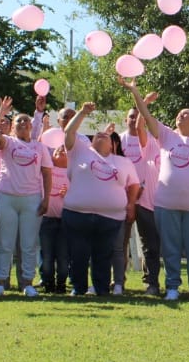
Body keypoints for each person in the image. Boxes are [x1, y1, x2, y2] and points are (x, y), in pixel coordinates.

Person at [122, 79, 189, 301]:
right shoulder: (167, 136)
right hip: (166, 205)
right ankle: (172, 286)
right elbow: (145, 116)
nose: (180, 116)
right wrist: (135, 91)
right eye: (179, 114)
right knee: (171, 249)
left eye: (186, 114)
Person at [59, 102, 141, 298]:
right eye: (97, 135)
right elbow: (69, 132)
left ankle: (102, 290)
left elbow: (135, 185)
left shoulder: (123, 162)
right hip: (78, 214)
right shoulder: (80, 152)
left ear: (113, 144)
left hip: (110, 218)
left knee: (103, 256)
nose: (102, 135)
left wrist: (130, 204)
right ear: (90, 141)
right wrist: (83, 112)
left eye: (106, 135)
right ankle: (78, 289)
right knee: (79, 255)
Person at [0, 97, 53, 297]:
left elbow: (47, 174)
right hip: (7, 197)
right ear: (13, 128)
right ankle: (2, 282)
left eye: (26, 121)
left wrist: (46, 198)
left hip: (31, 199)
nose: (23, 123)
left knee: (28, 244)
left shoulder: (39, 147)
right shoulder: (9, 142)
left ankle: (27, 283)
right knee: (5, 243)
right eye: (18, 122)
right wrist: (1, 113)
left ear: (32, 126)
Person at [119, 96, 161, 295]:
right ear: (125, 120)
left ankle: (151, 282)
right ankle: (118, 281)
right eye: (131, 117)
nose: (134, 120)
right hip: (122, 198)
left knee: (150, 244)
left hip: (145, 199)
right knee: (119, 243)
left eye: (138, 116)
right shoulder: (118, 140)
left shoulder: (150, 141)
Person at [39, 142, 71, 293]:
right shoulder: (46, 171)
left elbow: (81, 195)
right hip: (47, 219)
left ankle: (61, 284)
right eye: (58, 149)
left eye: (65, 150)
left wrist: (69, 194)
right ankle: (48, 283)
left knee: (64, 257)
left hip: (65, 221)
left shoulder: (73, 173)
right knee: (46, 256)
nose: (61, 150)